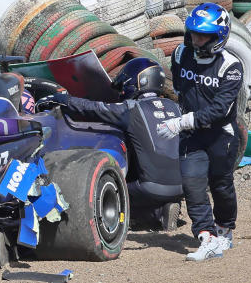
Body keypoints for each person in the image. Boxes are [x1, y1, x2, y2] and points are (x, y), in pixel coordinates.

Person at [40, 58, 183, 230]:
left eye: (125, 85)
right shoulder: (176, 108)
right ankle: (165, 207)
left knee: (104, 191)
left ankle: (154, 215)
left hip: (150, 188)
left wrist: (64, 100)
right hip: (183, 187)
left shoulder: (131, 109)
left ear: (138, 82)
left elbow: (95, 108)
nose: (122, 91)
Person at [156, 2, 242, 261]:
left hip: (221, 136)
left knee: (221, 185)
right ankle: (207, 236)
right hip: (192, 136)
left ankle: (225, 228)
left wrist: (181, 122)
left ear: (218, 37)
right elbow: (180, 87)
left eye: (203, 35)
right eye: (193, 33)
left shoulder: (232, 67)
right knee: (192, 185)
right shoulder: (181, 54)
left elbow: (219, 110)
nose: (196, 39)